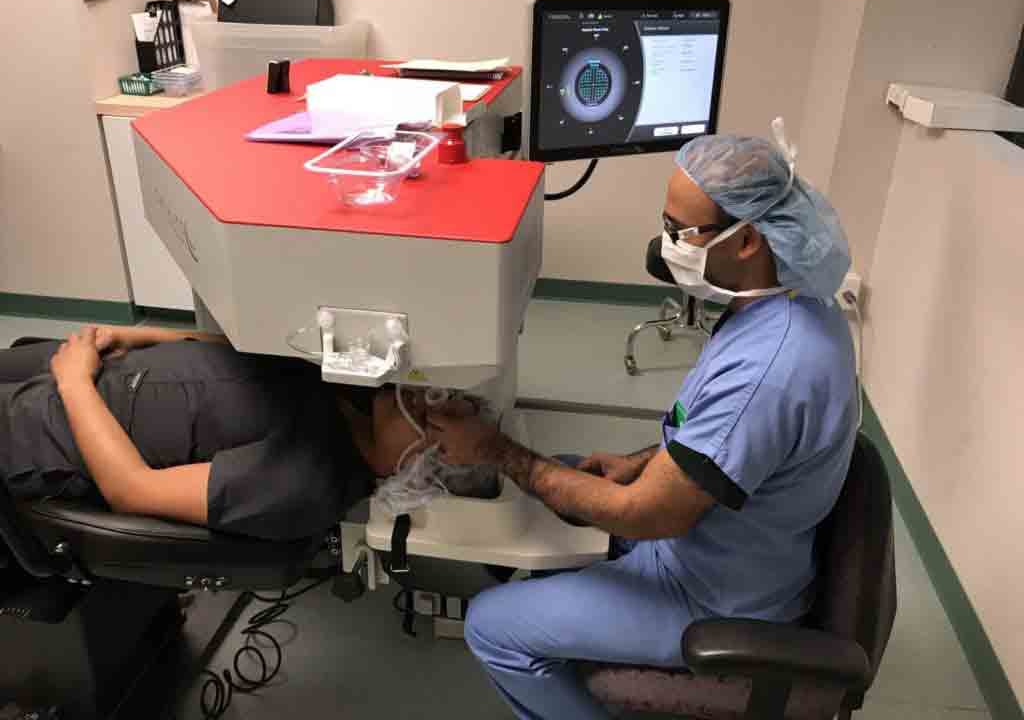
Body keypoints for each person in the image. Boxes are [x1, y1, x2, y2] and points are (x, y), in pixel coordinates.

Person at [425, 125, 859, 720]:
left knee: (492, 626)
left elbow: (647, 514)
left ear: (748, 240)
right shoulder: (790, 303)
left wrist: (499, 452)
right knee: (565, 482)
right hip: (735, 545)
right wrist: (639, 463)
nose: (666, 244)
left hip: (712, 596)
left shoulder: (769, 368)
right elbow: (721, 441)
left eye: (682, 231)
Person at [0, 324, 486, 541]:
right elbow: (240, 350)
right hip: (90, 369)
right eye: (437, 398)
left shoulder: (305, 482)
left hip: (50, 430)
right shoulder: (351, 392)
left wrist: (74, 382)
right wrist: (140, 336)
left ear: (414, 474)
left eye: (429, 421)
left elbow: (132, 489)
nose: (419, 401)